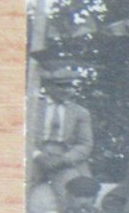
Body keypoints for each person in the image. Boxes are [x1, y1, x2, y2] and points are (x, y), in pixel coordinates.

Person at [30, 65, 95, 199]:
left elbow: (85, 144)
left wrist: (64, 159)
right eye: (61, 86)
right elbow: (20, 137)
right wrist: (38, 155)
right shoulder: (32, 107)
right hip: (33, 157)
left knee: (75, 192)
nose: (67, 90)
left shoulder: (80, 112)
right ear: (48, 87)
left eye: (69, 86)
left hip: (63, 159)